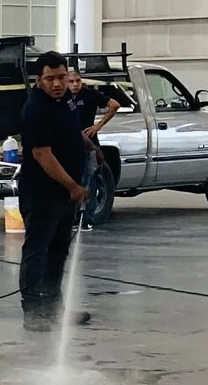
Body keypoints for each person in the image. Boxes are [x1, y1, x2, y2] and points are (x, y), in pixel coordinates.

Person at [17, 53, 92, 329]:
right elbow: (41, 154)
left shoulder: (66, 102)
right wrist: (73, 185)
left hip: (65, 196)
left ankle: (54, 309)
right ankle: (34, 313)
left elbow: (72, 131)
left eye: (62, 77)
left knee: (58, 251)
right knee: (37, 250)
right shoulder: (36, 109)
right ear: (40, 80)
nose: (58, 83)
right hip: (42, 195)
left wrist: (90, 146)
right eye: (50, 79)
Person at [67, 66, 131, 227]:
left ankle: (87, 218)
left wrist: (98, 126)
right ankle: (72, 216)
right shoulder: (64, 98)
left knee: (89, 180)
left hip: (89, 145)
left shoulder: (90, 95)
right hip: (70, 144)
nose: (75, 84)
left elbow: (114, 105)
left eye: (78, 81)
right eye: (71, 82)